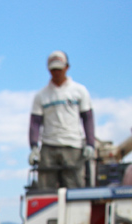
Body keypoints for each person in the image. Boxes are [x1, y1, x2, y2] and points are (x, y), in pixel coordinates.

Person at [28, 50, 95, 189]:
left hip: (73, 146)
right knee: (45, 189)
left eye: (59, 69)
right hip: (49, 146)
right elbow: (35, 122)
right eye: (53, 70)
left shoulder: (79, 91)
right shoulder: (41, 95)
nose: (56, 73)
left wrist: (90, 143)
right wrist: (34, 146)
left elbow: (87, 118)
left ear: (66, 67)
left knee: (74, 187)